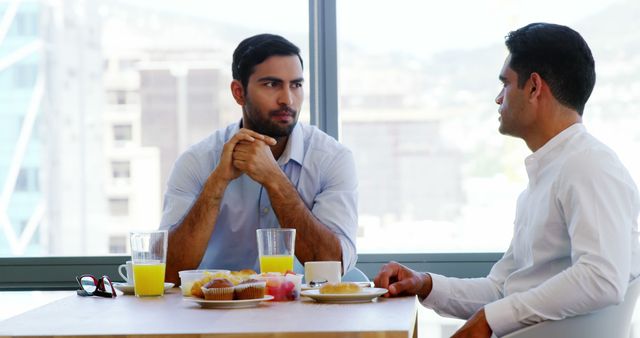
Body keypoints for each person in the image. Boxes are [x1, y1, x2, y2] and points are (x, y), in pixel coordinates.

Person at [374, 23, 640, 338]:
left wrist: (491, 318)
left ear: (534, 87)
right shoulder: (549, 174)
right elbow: (502, 289)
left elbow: (601, 278)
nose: (498, 98)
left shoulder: (589, 165)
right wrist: (425, 283)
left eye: (506, 84)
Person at [159, 34, 358, 284]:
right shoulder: (197, 161)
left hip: (304, 316)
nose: (287, 99)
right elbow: (168, 273)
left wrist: (274, 179)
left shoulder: (332, 159)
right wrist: (216, 184)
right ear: (238, 92)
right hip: (214, 313)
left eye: (296, 85)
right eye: (272, 84)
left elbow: (332, 266)